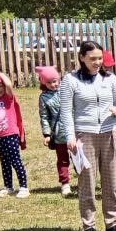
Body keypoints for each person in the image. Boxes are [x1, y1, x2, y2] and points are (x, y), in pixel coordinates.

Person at [57, 41, 116, 231]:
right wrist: (70, 136)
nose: (97, 62)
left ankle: (112, 222)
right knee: (87, 181)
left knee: (111, 181)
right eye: (92, 59)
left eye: (99, 58)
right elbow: (65, 112)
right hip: (84, 135)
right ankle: (89, 224)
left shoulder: (110, 78)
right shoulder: (70, 80)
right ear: (82, 58)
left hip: (109, 133)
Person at [36, 66, 73, 197]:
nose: (53, 84)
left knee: (80, 157)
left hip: (75, 130)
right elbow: (44, 117)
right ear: (44, 83)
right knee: (63, 159)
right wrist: (46, 134)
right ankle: (65, 183)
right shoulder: (44, 98)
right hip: (59, 133)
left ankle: (84, 181)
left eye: (55, 81)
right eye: (49, 82)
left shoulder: (68, 90)